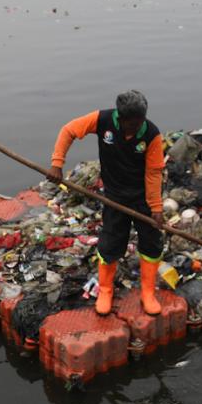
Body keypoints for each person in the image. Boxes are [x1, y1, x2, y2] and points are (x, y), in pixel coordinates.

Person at [49, 90, 166, 316]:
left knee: (151, 243)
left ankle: (148, 293)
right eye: (132, 123)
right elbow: (69, 130)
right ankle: (105, 291)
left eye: (140, 121)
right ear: (120, 119)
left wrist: (156, 208)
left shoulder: (151, 134)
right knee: (111, 243)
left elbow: (153, 173)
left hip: (142, 197)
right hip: (114, 196)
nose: (136, 127)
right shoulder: (102, 120)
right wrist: (57, 163)